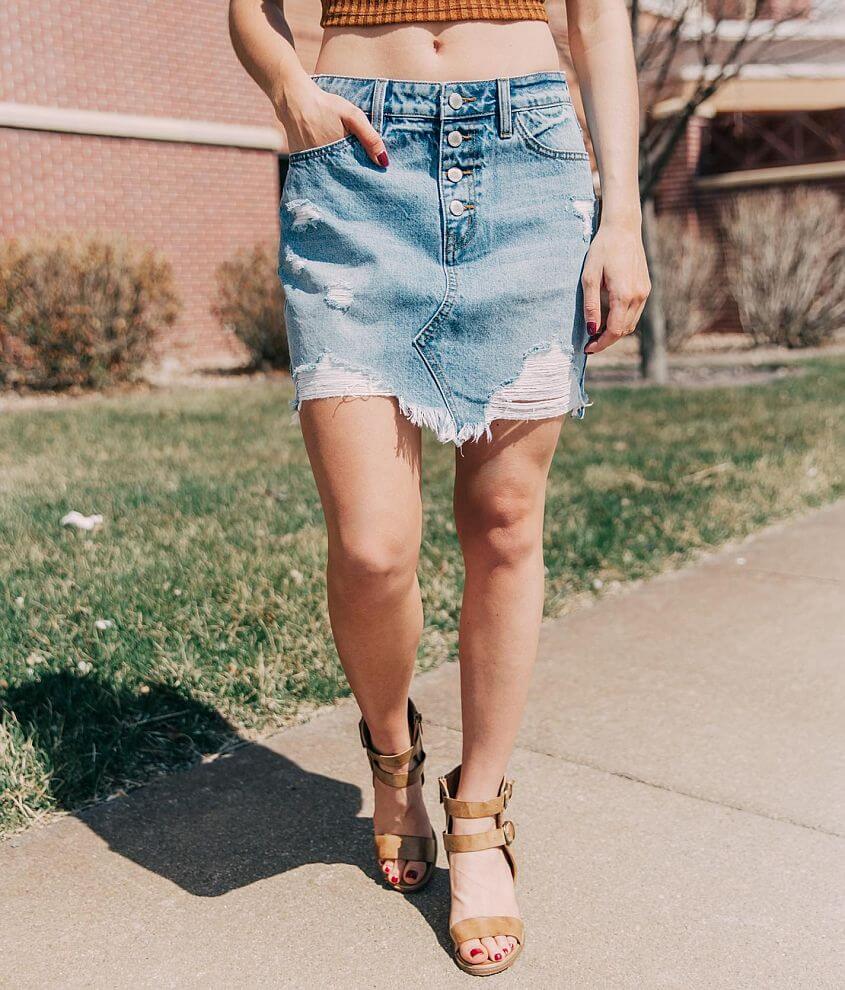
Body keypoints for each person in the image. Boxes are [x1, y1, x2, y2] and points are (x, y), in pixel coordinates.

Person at [229, 0, 649, 974]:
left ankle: (480, 810)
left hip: (528, 159)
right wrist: (292, 87)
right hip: (356, 164)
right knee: (372, 546)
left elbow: (599, 23)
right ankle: (391, 757)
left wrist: (620, 216)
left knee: (503, 519)